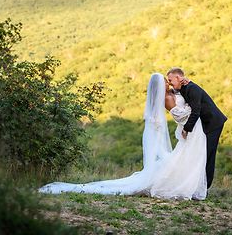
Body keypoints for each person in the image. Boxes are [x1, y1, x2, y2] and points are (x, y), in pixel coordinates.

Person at [38, 73, 207, 200]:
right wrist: (195, 108)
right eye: (165, 81)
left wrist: (186, 84)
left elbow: (180, 92)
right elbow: (181, 115)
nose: (168, 83)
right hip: (189, 128)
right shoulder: (166, 98)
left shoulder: (172, 92)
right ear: (160, 87)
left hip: (193, 128)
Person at [167, 67, 227, 189]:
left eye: (170, 80)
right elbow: (178, 94)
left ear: (178, 78)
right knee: (202, 153)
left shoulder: (191, 88)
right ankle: (198, 184)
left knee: (209, 154)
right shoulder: (184, 87)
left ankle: (205, 187)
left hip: (213, 122)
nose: (169, 83)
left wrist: (186, 129)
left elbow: (196, 111)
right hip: (204, 124)